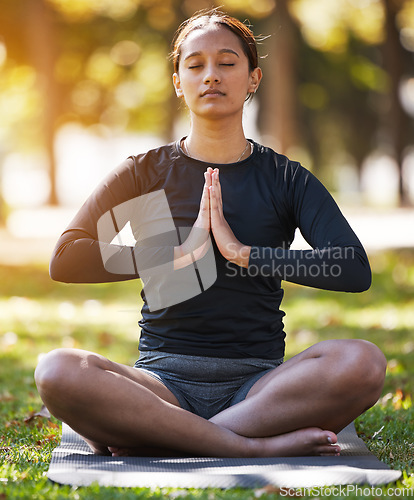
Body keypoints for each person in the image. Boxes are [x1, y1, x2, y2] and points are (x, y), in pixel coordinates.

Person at [35, 9, 387, 458]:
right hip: (161, 385)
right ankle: (247, 447)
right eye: (195, 65)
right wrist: (177, 255)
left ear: (253, 78)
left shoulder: (285, 178)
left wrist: (242, 253)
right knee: (58, 370)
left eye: (227, 62)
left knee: (363, 362)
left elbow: (353, 268)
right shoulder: (144, 172)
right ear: (178, 82)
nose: (211, 76)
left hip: (260, 391)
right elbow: (66, 256)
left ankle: (161, 435)